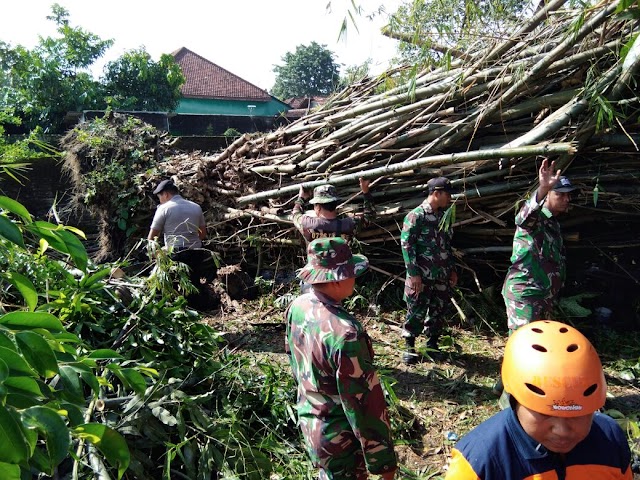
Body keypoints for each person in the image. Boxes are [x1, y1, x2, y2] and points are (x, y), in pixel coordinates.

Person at [445, 320, 632, 479]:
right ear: (516, 399)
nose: (562, 430)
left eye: (578, 415)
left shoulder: (610, 441)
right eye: (545, 413)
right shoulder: (480, 461)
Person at [285, 237, 397, 480]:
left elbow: (295, 362)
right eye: (351, 273)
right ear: (337, 279)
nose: (355, 279)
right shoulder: (345, 333)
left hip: (312, 425)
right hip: (342, 443)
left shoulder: (298, 306)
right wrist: (384, 463)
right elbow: (364, 405)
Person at [502, 159, 577, 333]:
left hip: (543, 296)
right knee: (523, 345)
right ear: (548, 195)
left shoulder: (553, 223)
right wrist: (542, 188)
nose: (567, 199)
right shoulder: (536, 218)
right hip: (526, 294)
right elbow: (522, 219)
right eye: (560, 194)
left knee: (538, 346)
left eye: (568, 195)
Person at [400, 176, 457, 365]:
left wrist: (452, 270)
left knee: (438, 310)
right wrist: (414, 274)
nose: (449, 198)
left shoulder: (443, 216)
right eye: (447, 194)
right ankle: (410, 346)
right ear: (436, 193)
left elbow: (447, 246)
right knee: (416, 309)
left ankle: (432, 344)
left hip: (441, 274)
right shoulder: (416, 216)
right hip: (421, 275)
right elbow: (407, 246)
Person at [148, 179, 215, 307]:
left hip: (176, 254)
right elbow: (202, 234)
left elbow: (152, 238)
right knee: (194, 281)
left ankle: (178, 309)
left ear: (166, 194)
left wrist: (155, 255)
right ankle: (198, 309)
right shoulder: (196, 207)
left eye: (159, 196)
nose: (159, 200)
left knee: (173, 284)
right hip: (196, 251)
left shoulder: (164, 209)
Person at [292, 178, 376, 244]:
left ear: (318, 207)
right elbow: (369, 216)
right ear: (335, 204)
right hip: (342, 265)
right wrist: (365, 191)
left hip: (316, 266)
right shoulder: (349, 224)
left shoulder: (307, 223)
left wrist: (301, 198)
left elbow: (295, 213)